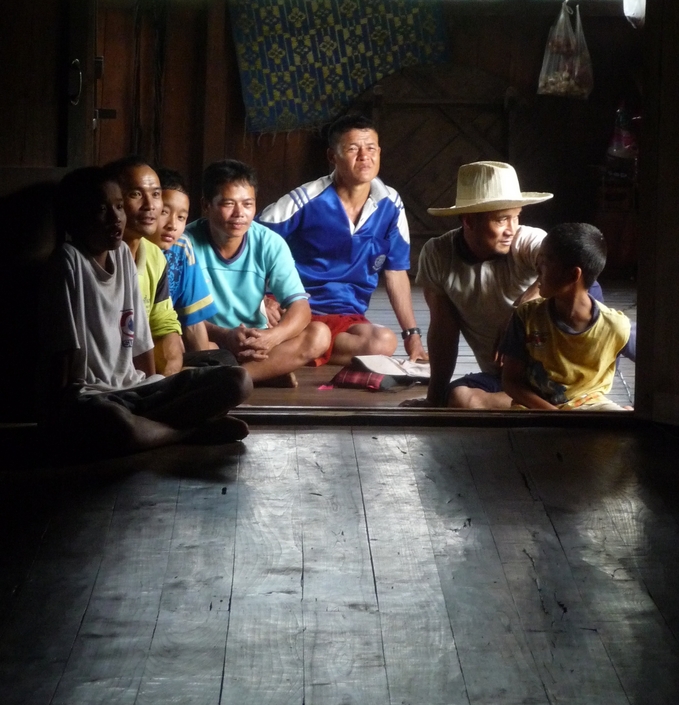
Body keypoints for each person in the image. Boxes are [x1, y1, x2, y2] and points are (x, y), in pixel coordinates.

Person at [39, 167, 252, 460]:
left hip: (133, 390)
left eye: (118, 207)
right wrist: (59, 417)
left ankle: (153, 431)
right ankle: (187, 432)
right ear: (77, 215)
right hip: (93, 396)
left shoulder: (124, 256)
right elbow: (66, 360)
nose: (116, 219)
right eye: (103, 209)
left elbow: (139, 344)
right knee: (115, 424)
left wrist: (153, 388)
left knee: (238, 380)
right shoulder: (69, 262)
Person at [258, 114, 427, 366]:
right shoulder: (305, 200)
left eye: (371, 148)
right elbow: (251, 241)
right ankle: (299, 342)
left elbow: (396, 272)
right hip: (294, 310)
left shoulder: (390, 204)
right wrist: (263, 297)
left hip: (347, 316)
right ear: (332, 156)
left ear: (379, 152)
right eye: (353, 148)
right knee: (317, 333)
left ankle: (299, 349)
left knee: (384, 342)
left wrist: (412, 337)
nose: (364, 156)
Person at [405, 160, 557, 409]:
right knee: (459, 399)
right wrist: (433, 399)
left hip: (557, 373)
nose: (511, 229)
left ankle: (558, 400)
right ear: (469, 221)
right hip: (505, 379)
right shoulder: (439, 254)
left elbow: (573, 274)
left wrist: (518, 313)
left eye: (516, 217)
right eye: (502, 220)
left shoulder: (530, 242)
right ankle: (550, 408)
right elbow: (443, 331)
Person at [184, 159, 331, 385]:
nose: (239, 213)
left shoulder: (270, 243)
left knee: (319, 335)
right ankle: (266, 372)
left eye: (247, 204)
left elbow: (300, 308)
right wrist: (224, 335)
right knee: (186, 342)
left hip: (257, 340)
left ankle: (234, 377)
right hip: (210, 340)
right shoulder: (185, 244)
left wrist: (272, 337)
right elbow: (180, 315)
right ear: (206, 205)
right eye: (228, 204)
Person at [500, 223, 634, 410]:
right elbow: (511, 381)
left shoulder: (616, 326)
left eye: (545, 262)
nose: (537, 269)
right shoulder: (526, 316)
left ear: (573, 275)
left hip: (592, 407)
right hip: (536, 410)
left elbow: (660, 366)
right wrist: (554, 414)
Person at [104, 156, 185, 376]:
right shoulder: (97, 257)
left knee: (232, 377)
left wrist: (165, 378)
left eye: (156, 194)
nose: (150, 206)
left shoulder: (154, 255)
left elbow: (164, 325)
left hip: (144, 373)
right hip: (107, 375)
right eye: (136, 194)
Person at [148, 167, 218, 353]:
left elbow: (193, 322)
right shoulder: (127, 250)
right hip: (134, 341)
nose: (172, 225)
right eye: (164, 212)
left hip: (167, 339)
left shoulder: (181, 248)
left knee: (214, 353)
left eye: (181, 217)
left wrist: (205, 367)